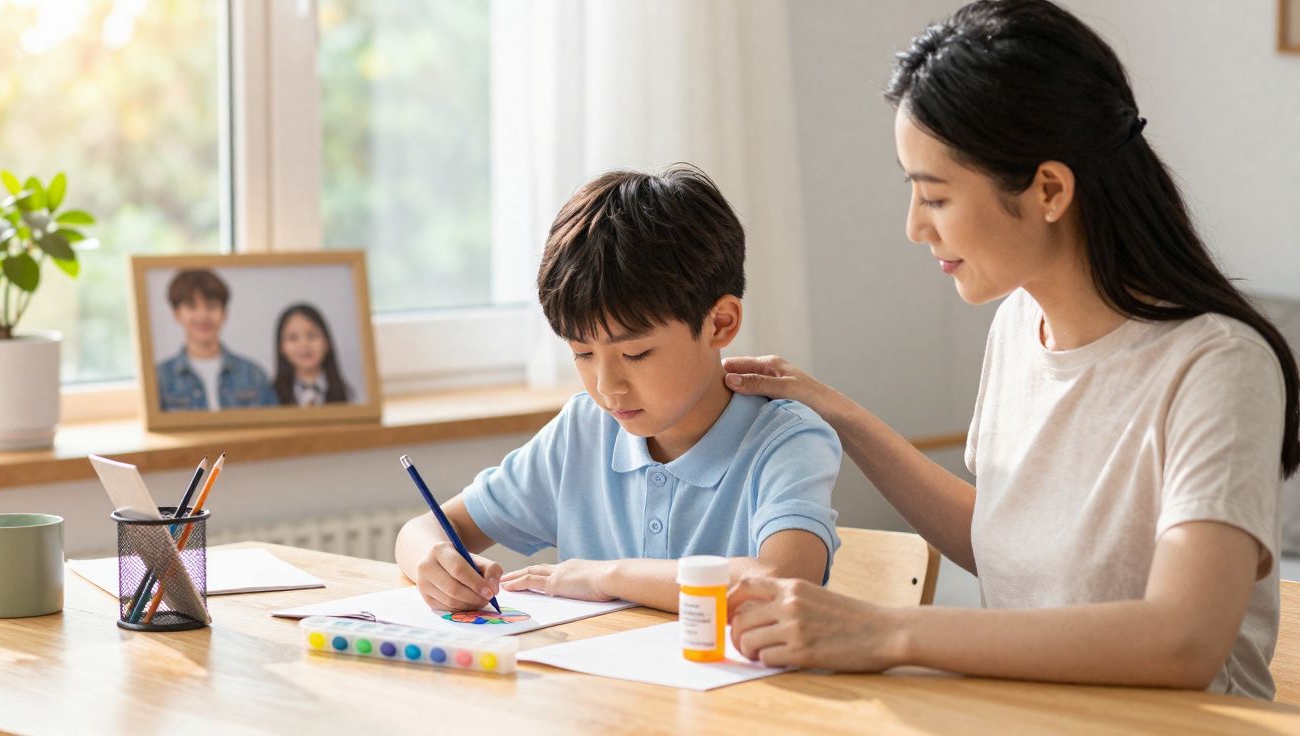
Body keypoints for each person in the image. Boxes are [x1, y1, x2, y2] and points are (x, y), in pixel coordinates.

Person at [722, 0, 1299, 700]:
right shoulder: (1018, 327)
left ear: (1049, 189)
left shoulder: (1217, 367)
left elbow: (1183, 639)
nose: (914, 228)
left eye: (934, 197)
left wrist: (884, 631)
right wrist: (834, 413)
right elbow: (1011, 544)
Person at [394, 164, 842, 613]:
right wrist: (433, 560)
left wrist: (606, 575)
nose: (607, 388)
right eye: (582, 354)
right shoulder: (584, 429)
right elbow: (427, 528)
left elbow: (780, 581)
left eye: (636, 355)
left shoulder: (786, 439)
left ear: (719, 323)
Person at [155, 269, 278, 411]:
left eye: (211, 306)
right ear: (176, 314)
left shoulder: (254, 374)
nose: (203, 316)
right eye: (191, 306)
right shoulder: (160, 378)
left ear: (224, 313)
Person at [273, 303, 352, 407]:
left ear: (327, 343)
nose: (304, 345)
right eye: (293, 338)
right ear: (281, 347)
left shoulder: (349, 395)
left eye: (311, 335)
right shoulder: (271, 395)